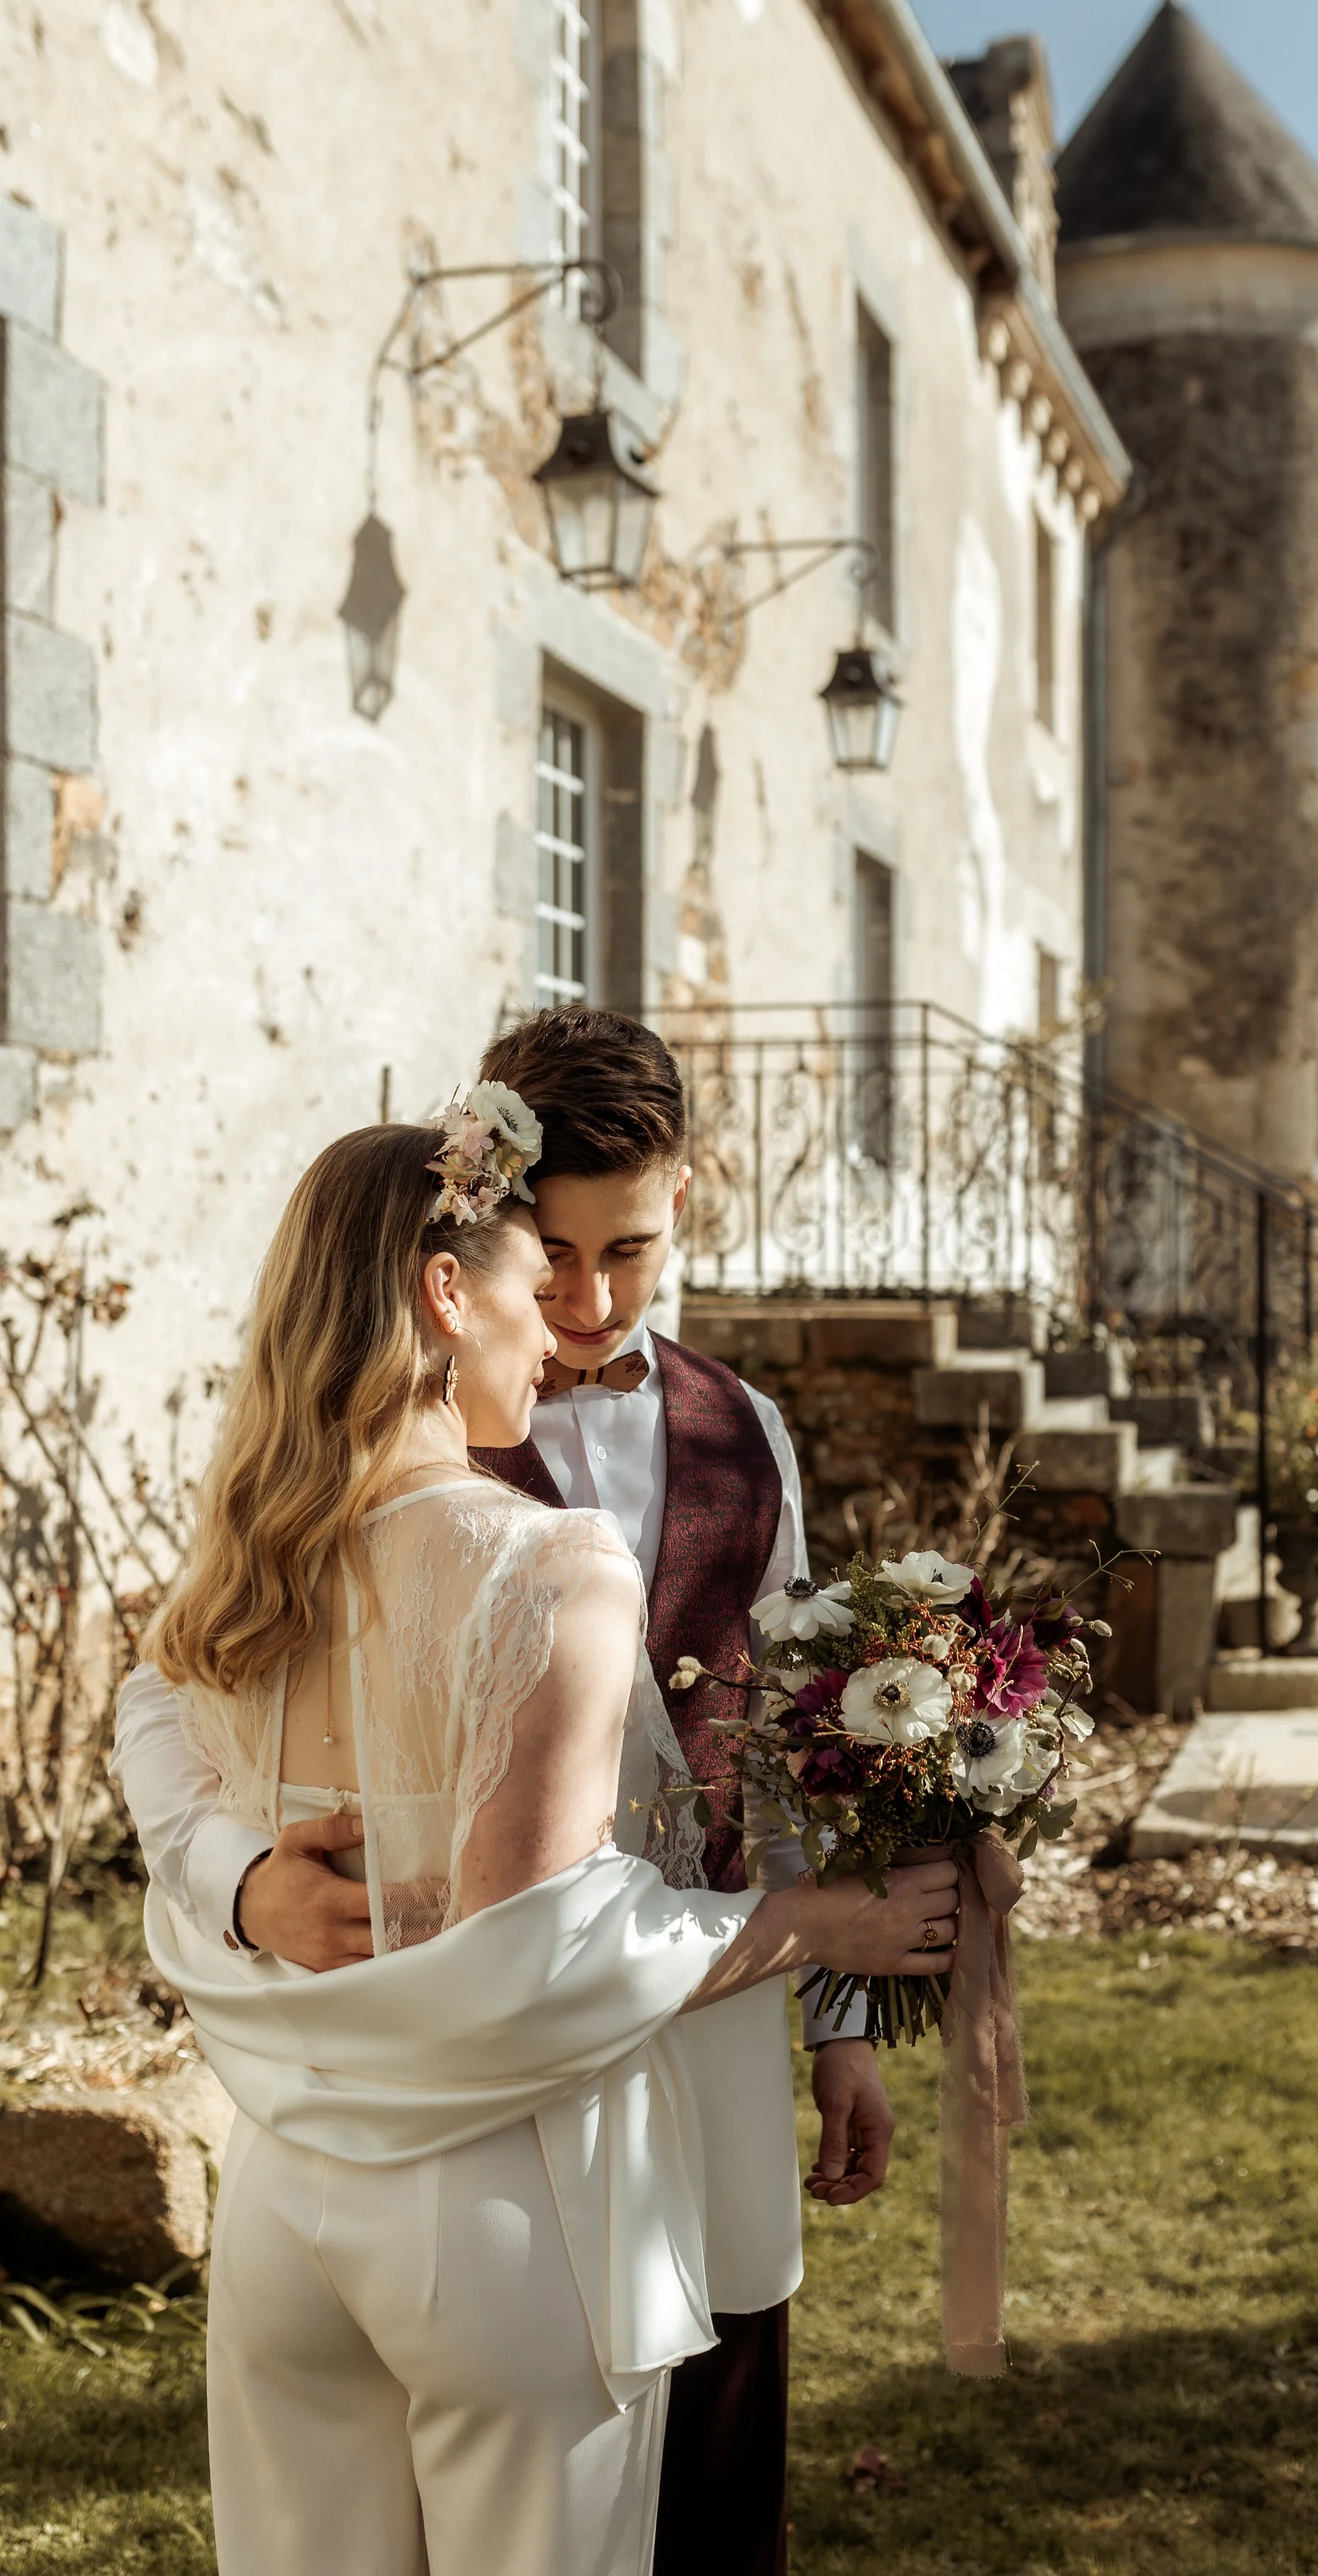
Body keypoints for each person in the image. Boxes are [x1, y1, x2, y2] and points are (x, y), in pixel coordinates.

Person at [131, 1094, 956, 2576]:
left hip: (286, 2187)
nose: (559, 1321)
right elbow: (536, 1947)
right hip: (496, 2201)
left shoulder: (250, 1554)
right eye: (530, 1278)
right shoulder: (545, 1564)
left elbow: (156, 1740)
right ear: (447, 1291)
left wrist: (237, 1885)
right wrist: (824, 1931)